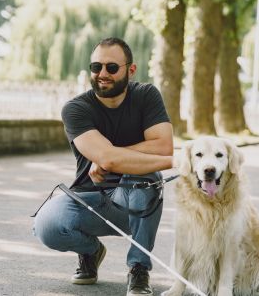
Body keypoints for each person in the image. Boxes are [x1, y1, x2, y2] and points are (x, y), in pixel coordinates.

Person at [33, 37, 173, 296]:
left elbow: (164, 146)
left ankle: (138, 268)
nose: (102, 74)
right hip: (90, 199)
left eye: (111, 67)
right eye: (96, 67)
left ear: (131, 70)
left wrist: (113, 157)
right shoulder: (76, 109)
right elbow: (109, 158)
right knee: (47, 226)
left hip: (135, 199)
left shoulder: (146, 95)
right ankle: (90, 251)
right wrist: (178, 162)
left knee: (145, 177)